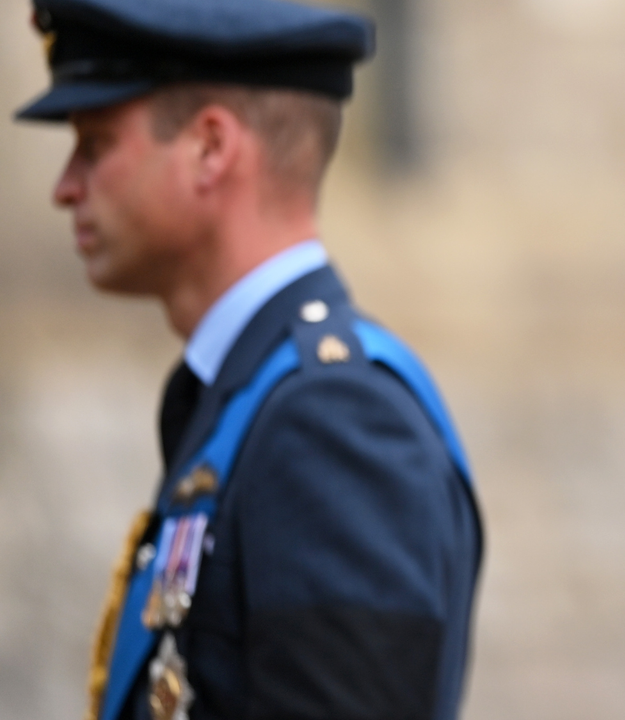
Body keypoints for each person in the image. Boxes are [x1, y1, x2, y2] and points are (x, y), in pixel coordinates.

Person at [14, 1, 482, 719]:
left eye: (96, 143)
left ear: (210, 148)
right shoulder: (251, 396)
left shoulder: (332, 420)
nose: (65, 186)